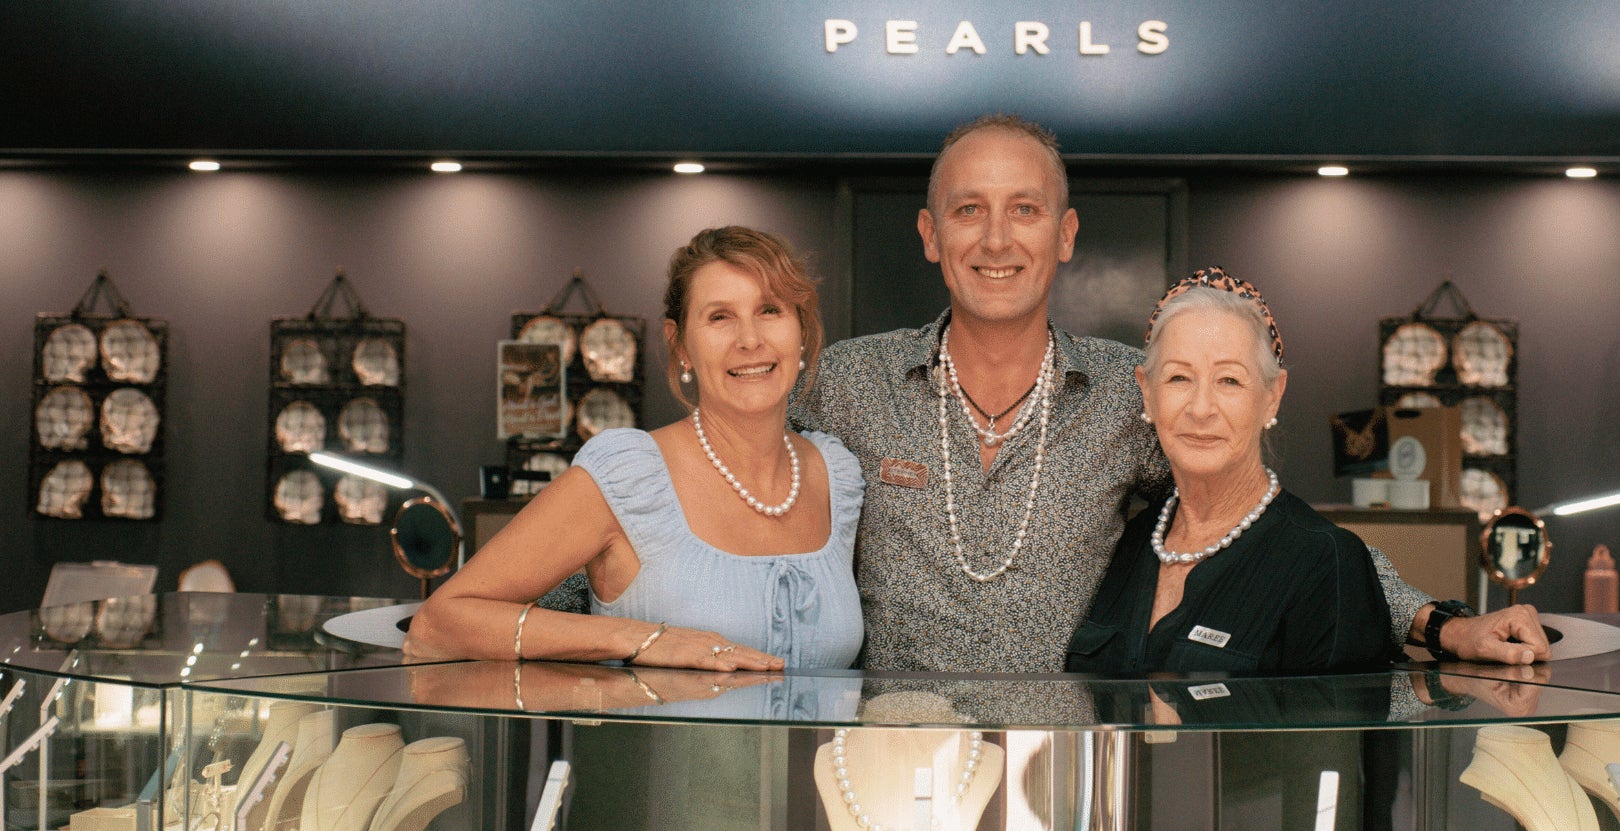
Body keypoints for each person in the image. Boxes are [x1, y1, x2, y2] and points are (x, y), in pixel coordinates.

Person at [793, 114, 1549, 672]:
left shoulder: (1134, 394)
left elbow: (1267, 529)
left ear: (1065, 234)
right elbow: (740, 497)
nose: (996, 239)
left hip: (1063, 783)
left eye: (1025, 208)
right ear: (930, 233)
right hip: (893, 771)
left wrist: (1440, 622)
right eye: (969, 209)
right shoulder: (849, 382)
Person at [410, 226, 863, 671]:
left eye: (769, 310)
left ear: (801, 331)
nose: (750, 340)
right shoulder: (627, 476)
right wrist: (639, 638)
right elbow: (437, 624)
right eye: (719, 317)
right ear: (680, 344)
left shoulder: (837, 475)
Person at [1066, 270, 1394, 674]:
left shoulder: (1325, 562)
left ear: (1271, 397)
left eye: (1229, 380)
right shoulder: (1128, 542)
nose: (1201, 408)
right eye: (1179, 378)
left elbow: (1334, 735)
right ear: (1147, 393)